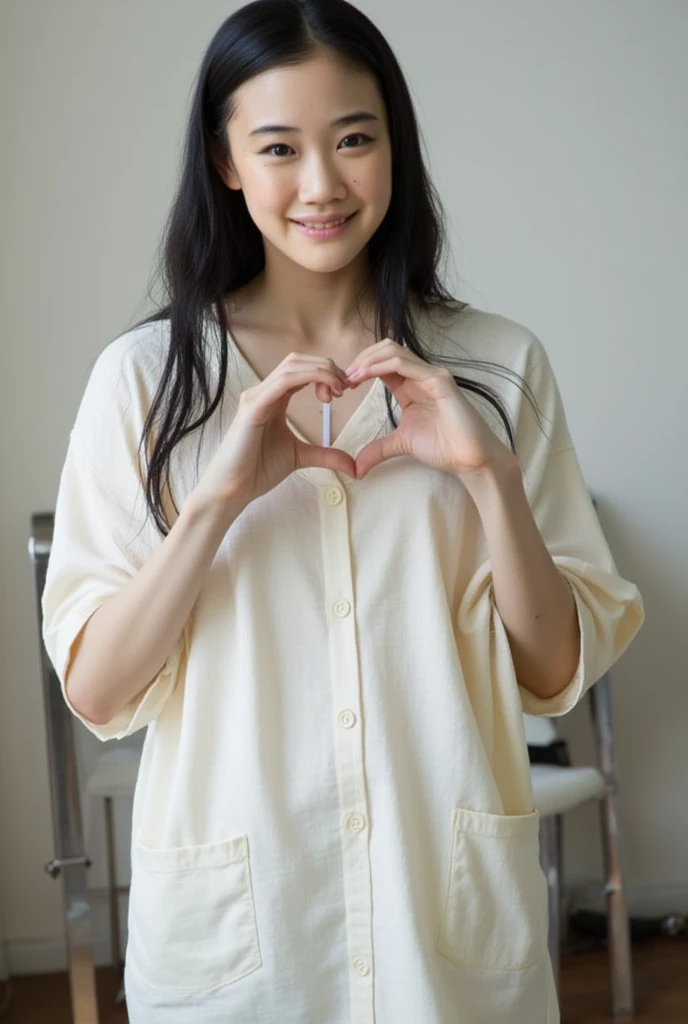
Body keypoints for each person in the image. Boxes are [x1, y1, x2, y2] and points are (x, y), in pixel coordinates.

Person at [41, 1, 645, 1021]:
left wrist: (488, 476)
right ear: (226, 160)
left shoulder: (496, 366)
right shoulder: (143, 381)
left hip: (444, 946)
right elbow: (100, 692)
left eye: (354, 140)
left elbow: (549, 680)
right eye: (278, 147)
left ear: (394, 150)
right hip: (245, 947)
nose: (321, 185)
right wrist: (220, 497)